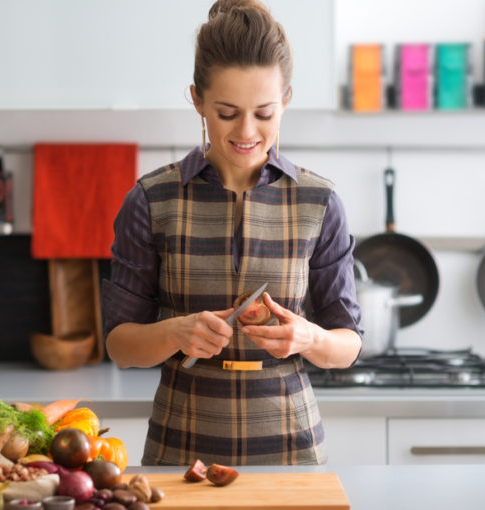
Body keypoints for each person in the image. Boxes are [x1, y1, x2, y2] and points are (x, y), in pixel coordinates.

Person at [101, 0, 362, 466]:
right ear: (197, 99)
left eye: (264, 113)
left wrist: (309, 339)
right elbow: (120, 345)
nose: (246, 131)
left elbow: (348, 343)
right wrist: (175, 333)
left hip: (291, 448)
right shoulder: (151, 200)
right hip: (181, 448)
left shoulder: (319, 203)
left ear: (285, 101)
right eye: (226, 113)